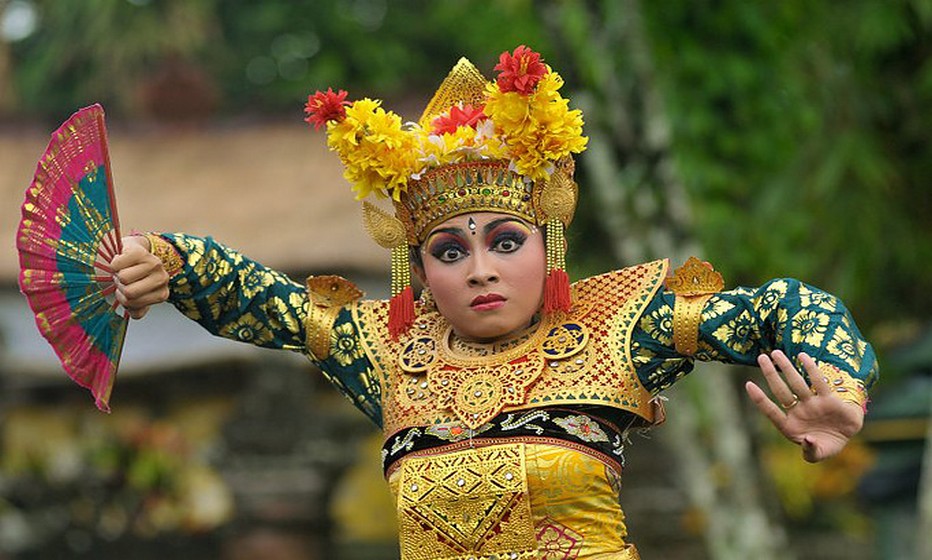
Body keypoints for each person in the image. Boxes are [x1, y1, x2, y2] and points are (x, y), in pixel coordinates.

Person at [109, 46, 877, 559]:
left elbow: (787, 304)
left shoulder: (615, 327)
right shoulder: (385, 348)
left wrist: (837, 387)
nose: (479, 269)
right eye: (450, 251)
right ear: (419, 268)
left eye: (505, 241)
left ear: (548, 245)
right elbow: (256, 295)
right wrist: (166, 261)